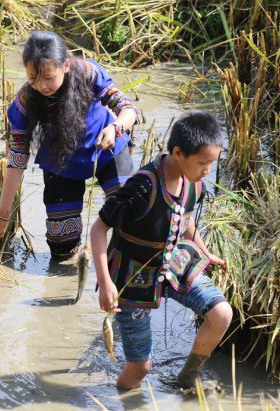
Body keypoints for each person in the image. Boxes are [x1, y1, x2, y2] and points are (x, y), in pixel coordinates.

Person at [90, 111, 232, 390]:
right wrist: (106, 283)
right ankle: (122, 400)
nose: (207, 170)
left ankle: (187, 378)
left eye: (211, 163)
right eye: (203, 163)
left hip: (173, 263)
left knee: (221, 314)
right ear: (178, 152)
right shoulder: (141, 188)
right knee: (141, 367)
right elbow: (98, 229)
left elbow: (186, 218)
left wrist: (204, 251)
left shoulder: (194, 182)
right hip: (133, 277)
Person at [0, 31, 139, 260]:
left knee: (130, 216)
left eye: (48, 77)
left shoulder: (89, 73)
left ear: (65, 65)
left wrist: (115, 128)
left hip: (107, 149)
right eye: (32, 78)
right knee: (61, 244)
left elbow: (128, 109)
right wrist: (2, 215)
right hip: (61, 159)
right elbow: (17, 161)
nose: (41, 86)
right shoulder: (25, 103)